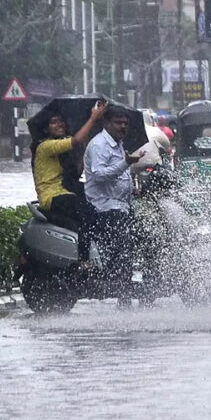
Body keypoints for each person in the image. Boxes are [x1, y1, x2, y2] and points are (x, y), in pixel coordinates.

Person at [83, 105, 146, 304]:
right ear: (106, 123)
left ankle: (138, 288)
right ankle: (123, 294)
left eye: (125, 123)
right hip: (105, 208)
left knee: (145, 237)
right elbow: (99, 175)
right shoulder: (99, 145)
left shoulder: (118, 144)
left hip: (121, 205)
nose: (122, 127)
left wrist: (133, 189)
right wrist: (126, 163)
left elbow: (119, 177)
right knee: (123, 250)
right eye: (118, 123)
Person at [31, 100, 107, 262]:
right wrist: (93, 118)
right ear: (46, 129)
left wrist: (84, 150)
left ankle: (98, 255)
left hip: (65, 193)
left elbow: (76, 173)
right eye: (54, 122)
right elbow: (76, 140)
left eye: (61, 121)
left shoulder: (61, 151)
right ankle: (84, 261)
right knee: (86, 213)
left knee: (96, 213)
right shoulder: (46, 146)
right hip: (53, 196)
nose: (59, 125)